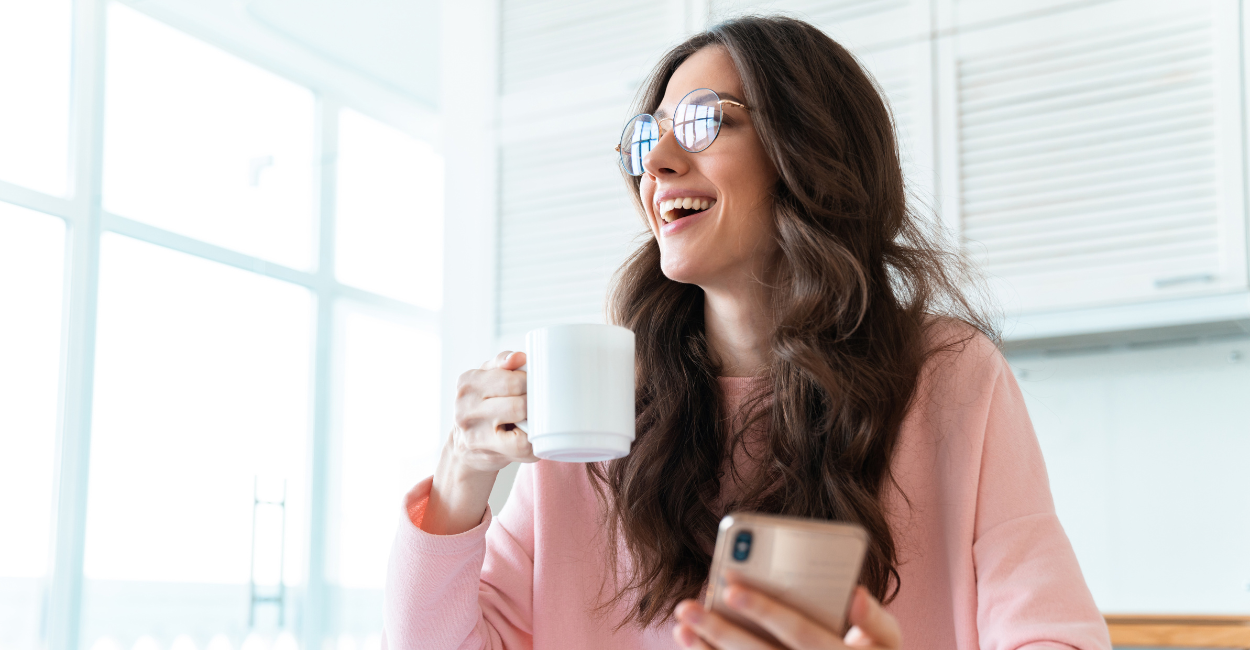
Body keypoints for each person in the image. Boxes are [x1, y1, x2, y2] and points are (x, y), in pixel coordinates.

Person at [383, 15, 1112, 650]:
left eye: (705, 120)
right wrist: (460, 479)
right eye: (647, 140)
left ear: (810, 151)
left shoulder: (948, 378)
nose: (659, 164)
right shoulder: (600, 407)